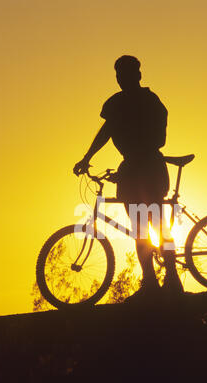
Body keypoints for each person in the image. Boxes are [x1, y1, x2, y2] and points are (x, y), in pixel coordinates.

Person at [74, 55, 183, 299]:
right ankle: (155, 283)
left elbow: (158, 139)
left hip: (147, 168)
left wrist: (90, 156)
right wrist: (88, 156)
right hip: (136, 168)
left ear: (138, 75)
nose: (121, 79)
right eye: (119, 75)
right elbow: (107, 130)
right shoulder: (122, 103)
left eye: (125, 74)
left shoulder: (146, 101)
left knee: (152, 226)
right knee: (143, 228)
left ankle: (169, 281)